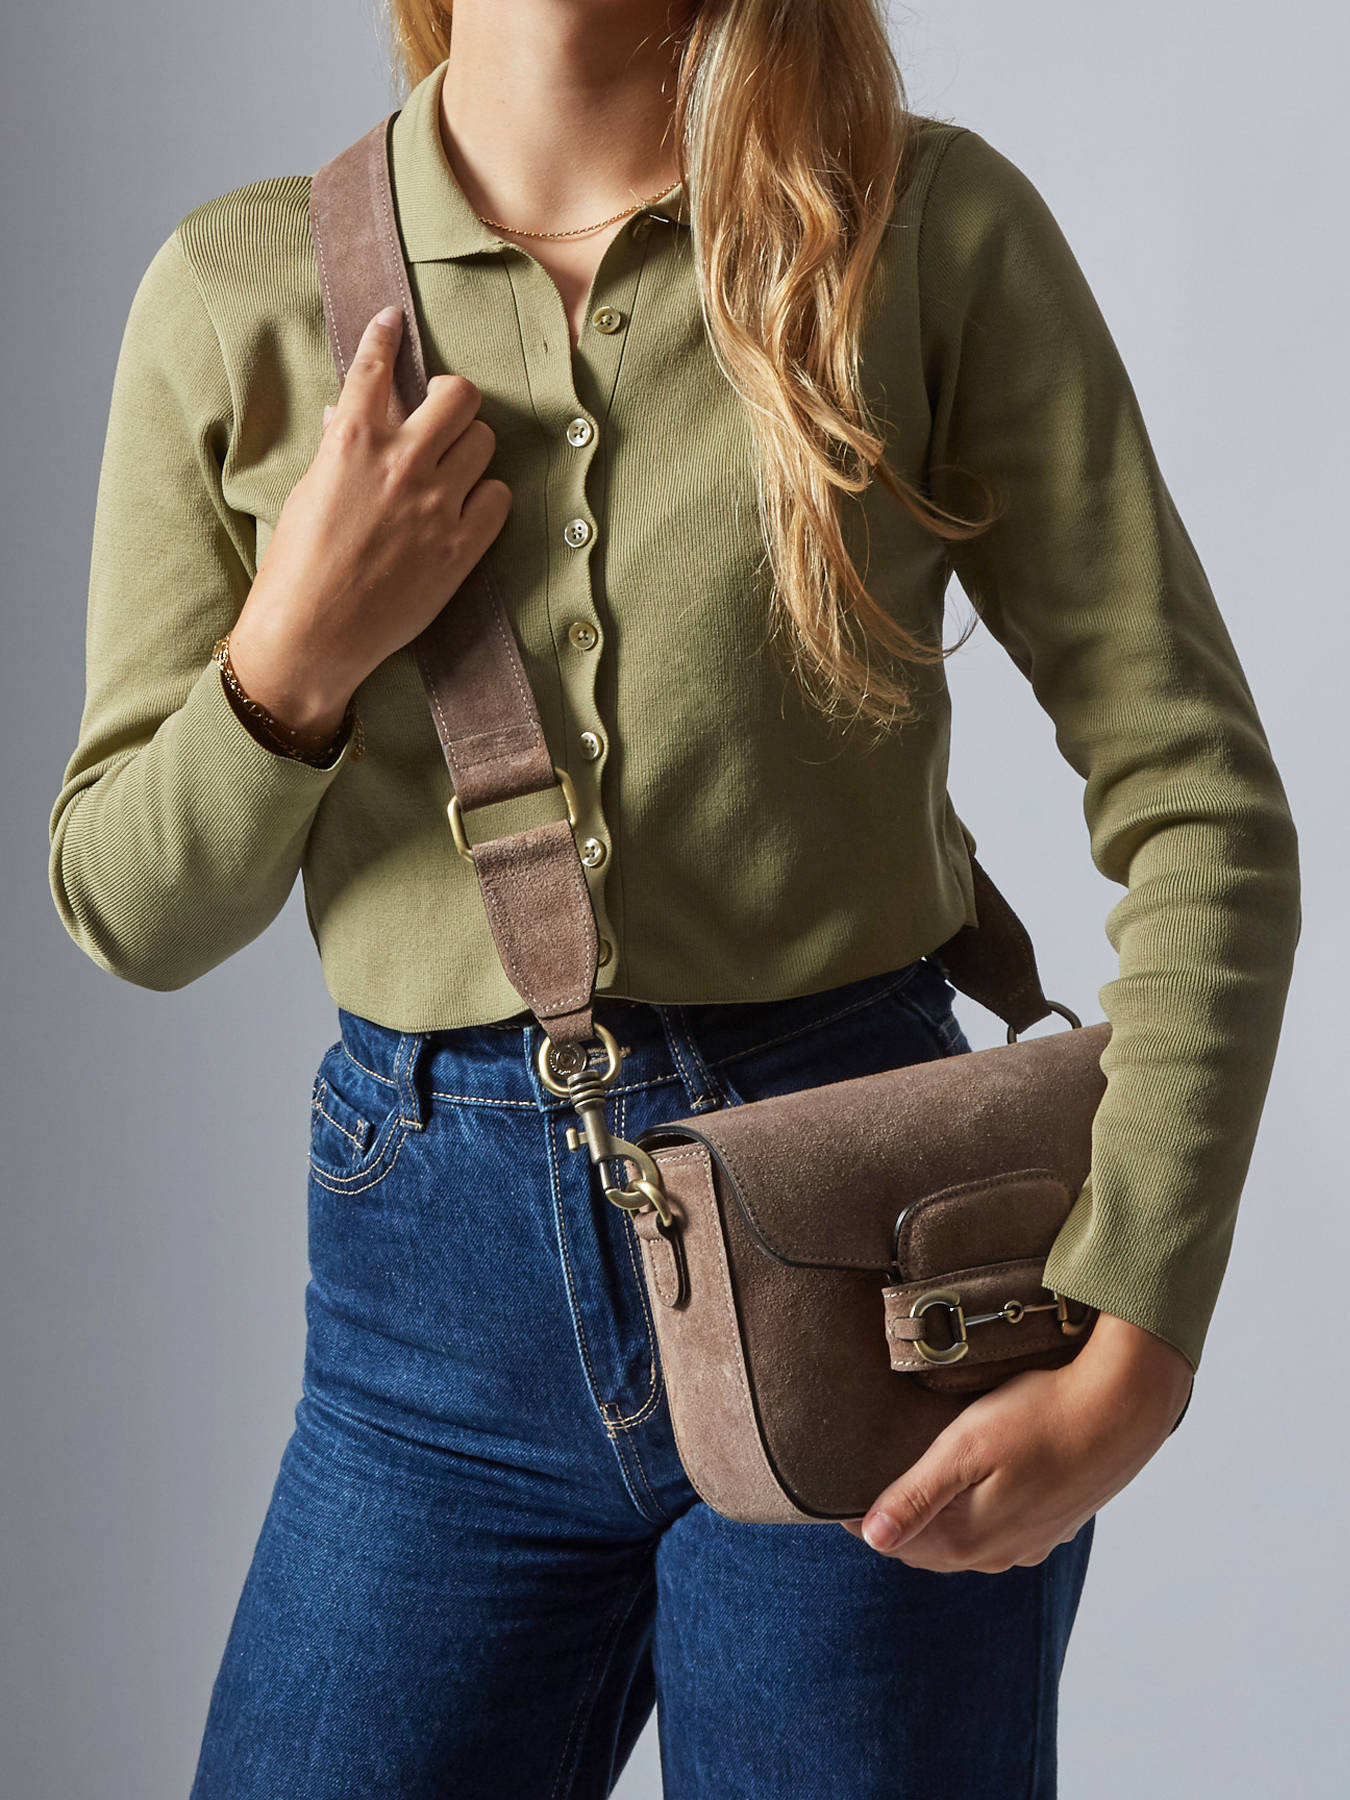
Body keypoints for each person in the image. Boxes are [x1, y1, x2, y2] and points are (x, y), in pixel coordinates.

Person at [47, 2, 1300, 1795]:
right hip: (430, 1335)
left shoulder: (919, 233)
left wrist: (1143, 1337)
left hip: (874, 1266)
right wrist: (293, 653)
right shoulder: (233, 292)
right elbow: (127, 908)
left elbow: (1202, 808)